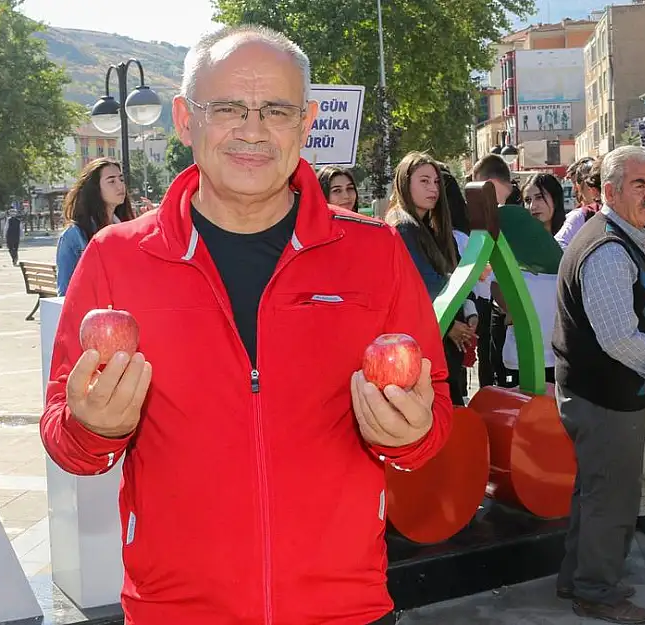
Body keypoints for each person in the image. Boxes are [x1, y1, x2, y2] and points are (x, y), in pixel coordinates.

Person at [40, 25, 453, 625]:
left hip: (346, 611)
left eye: (277, 110)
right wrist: (93, 429)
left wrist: (408, 436)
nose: (253, 129)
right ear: (185, 119)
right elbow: (65, 440)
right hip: (175, 613)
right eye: (228, 107)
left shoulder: (377, 254)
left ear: (307, 120)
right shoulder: (115, 258)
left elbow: (434, 416)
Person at [552, 146, 645, 624]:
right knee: (612, 499)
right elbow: (617, 338)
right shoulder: (609, 248)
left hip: (597, 393)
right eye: (639, 185)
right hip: (604, 397)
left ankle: (580, 579)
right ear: (609, 192)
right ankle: (596, 591)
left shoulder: (619, 236)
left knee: (596, 493)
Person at [386, 153, 477, 405]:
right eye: (424, 181)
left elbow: (453, 272)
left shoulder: (431, 226)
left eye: (436, 182)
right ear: (405, 182)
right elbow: (425, 283)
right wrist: (450, 326)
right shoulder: (403, 225)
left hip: (442, 339)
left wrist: (468, 313)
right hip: (423, 344)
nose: (433, 189)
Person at [497, 173, 567, 385]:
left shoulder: (568, 242)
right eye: (528, 200)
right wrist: (512, 310)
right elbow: (495, 285)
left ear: (555, 199)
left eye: (539, 197)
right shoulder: (511, 247)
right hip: (523, 355)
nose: (533, 206)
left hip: (562, 354)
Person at [55, 158, 134, 294]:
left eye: (121, 179)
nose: (120, 186)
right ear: (95, 189)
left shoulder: (128, 228)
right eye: (111, 181)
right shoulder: (74, 236)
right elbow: (65, 292)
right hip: (92, 312)